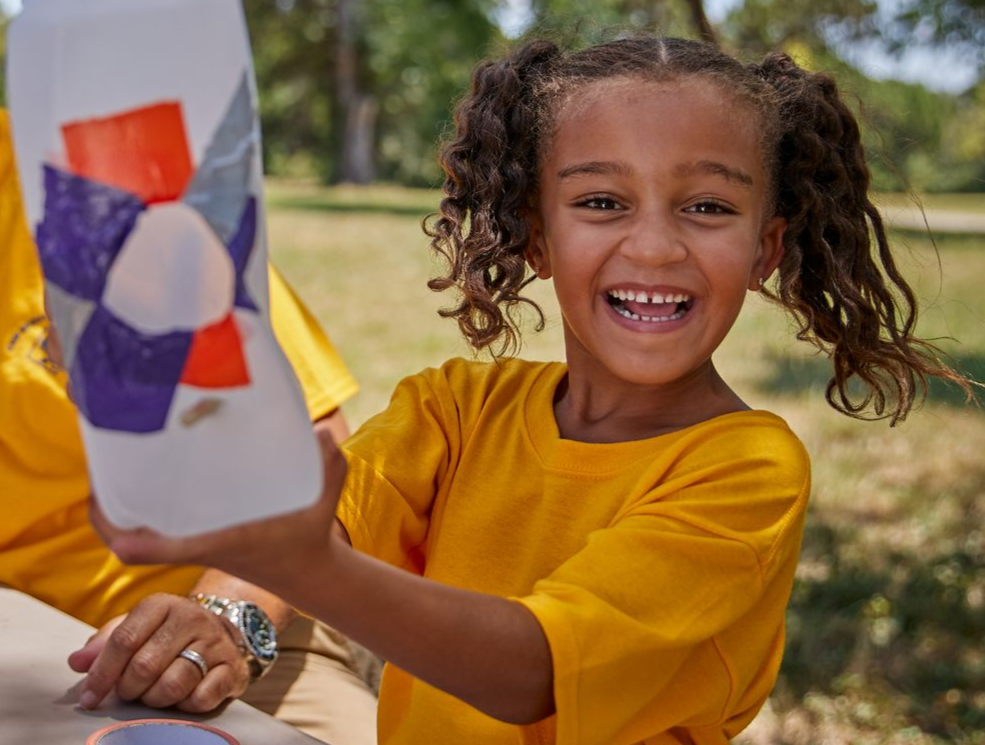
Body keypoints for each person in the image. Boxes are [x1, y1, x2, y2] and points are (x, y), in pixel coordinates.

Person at [93, 37, 967, 745]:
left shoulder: (746, 471)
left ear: (765, 249)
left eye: (706, 207)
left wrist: (299, 564)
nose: (655, 246)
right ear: (535, 239)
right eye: (600, 201)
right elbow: (325, 514)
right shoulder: (455, 408)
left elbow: (531, 671)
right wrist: (225, 616)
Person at [0, 107, 378, 745]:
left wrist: (228, 620)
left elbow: (321, 455)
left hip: (235, 629)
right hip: (24, 643)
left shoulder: (84, 176)